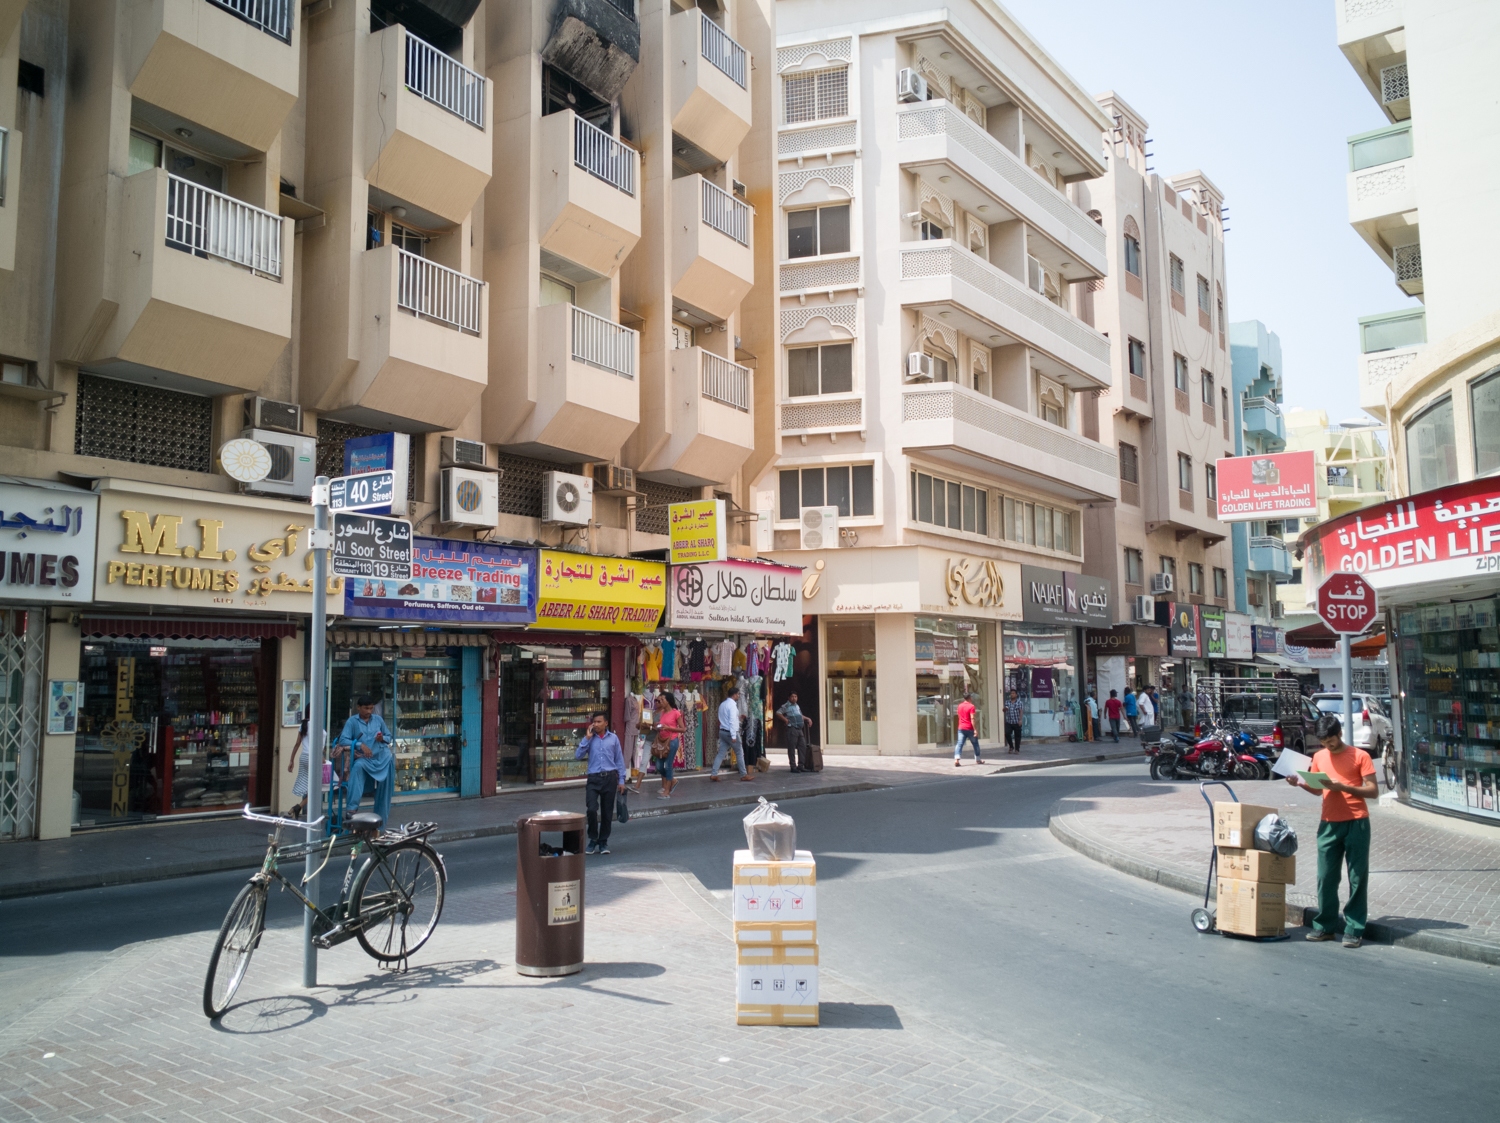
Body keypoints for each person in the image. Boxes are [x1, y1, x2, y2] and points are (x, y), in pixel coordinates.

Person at [1287, 714, 1377, 948]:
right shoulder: (1318, 757)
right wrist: (1300, 783)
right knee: (1325, 877)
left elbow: (1373, 791)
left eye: (1331, 742)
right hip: (1328, 822)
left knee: (1357, 877)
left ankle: (1354, 928)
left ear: (1340, 734)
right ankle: (1325, 926)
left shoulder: (1360, 756)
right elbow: (1318, 791)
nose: (1328, 746)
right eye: (1324, 743)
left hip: (1357, 822)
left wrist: (1343, 787)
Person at [575, 711, 627, 855]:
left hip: (609, 778)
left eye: (599, 722)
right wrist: (586, 738)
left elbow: (619, 760)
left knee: (607, 812)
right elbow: (578, 755)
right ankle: (593, 838)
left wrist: (621, 780)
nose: (596, 725)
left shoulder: (614, 738)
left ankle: (603, 841)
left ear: (606, 723)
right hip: (593, 778)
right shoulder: (590, 738)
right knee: (591, 809)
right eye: (594, 722)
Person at [338, 696, 393, 827]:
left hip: (382, 758)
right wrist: (360, 745)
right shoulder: (352, 721)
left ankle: (380, 823)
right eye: (366, 708)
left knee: (385, 790)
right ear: (358, 707)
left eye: (371, 708)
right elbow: (343, 740)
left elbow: (389, 737)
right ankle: (351, 810)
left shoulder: (378, 720)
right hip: (364, 759)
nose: (369, 711)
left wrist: (381, 738)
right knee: (357, 768)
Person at [712, 684, 752, 782]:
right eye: (738, 694)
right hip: (731, 732)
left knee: (721, 753)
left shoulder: (723, 704)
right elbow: (731, 721)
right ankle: (743, 774)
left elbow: (725, 718)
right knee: (739, 753)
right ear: (734, 695)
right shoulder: (732, 705)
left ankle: (714, 773)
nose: (738, 696)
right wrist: (734, 735)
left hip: (723, 731)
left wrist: (738, 718)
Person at [776, 692, 811, 772]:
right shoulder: (786, 705)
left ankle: (801, 766)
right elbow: (778, 713)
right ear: (788, 698)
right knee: (792, 748)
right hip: (792, 729)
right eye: (792, 696)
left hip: (799, 729)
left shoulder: (797, 706)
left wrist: (807, 718)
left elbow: (800, 715)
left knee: (802, 747)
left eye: (795, 696)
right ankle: (793, 766)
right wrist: (785, 720)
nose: (794, 698)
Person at [285, 716, 312, 820]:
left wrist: (292, 760)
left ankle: (298, 808)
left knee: (308, 785)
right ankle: (298, 807)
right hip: (312, 757)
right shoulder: (316, 724)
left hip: (303, 757)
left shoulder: (303, 725)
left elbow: (297, 744)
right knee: (317, 787)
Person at [954, 692, 983, 766]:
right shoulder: (971, 706)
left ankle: (957, 759)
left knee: (959, 743)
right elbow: (972, 718)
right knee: (975, 744)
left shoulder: (959, 706)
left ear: (964, 698)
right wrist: (975, 729)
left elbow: (959, 716)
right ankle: (978, 759)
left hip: (961, 727)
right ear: (970, 698)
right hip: (969, 728)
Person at [1003, 689, 1023, 754]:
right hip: (1009, 721)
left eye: (1013, 693)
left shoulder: (1019, 702)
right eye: (1011, 693)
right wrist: (1005, 709)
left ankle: (1017, 749)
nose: (1012, 694)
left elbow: (1021, 711)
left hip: (1016, 721)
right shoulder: (1007, 702)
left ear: (1016, 695)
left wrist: (1020, 720)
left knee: (1017, 736)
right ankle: (1011, 746)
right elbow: (1004, 710)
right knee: (1007, 733)